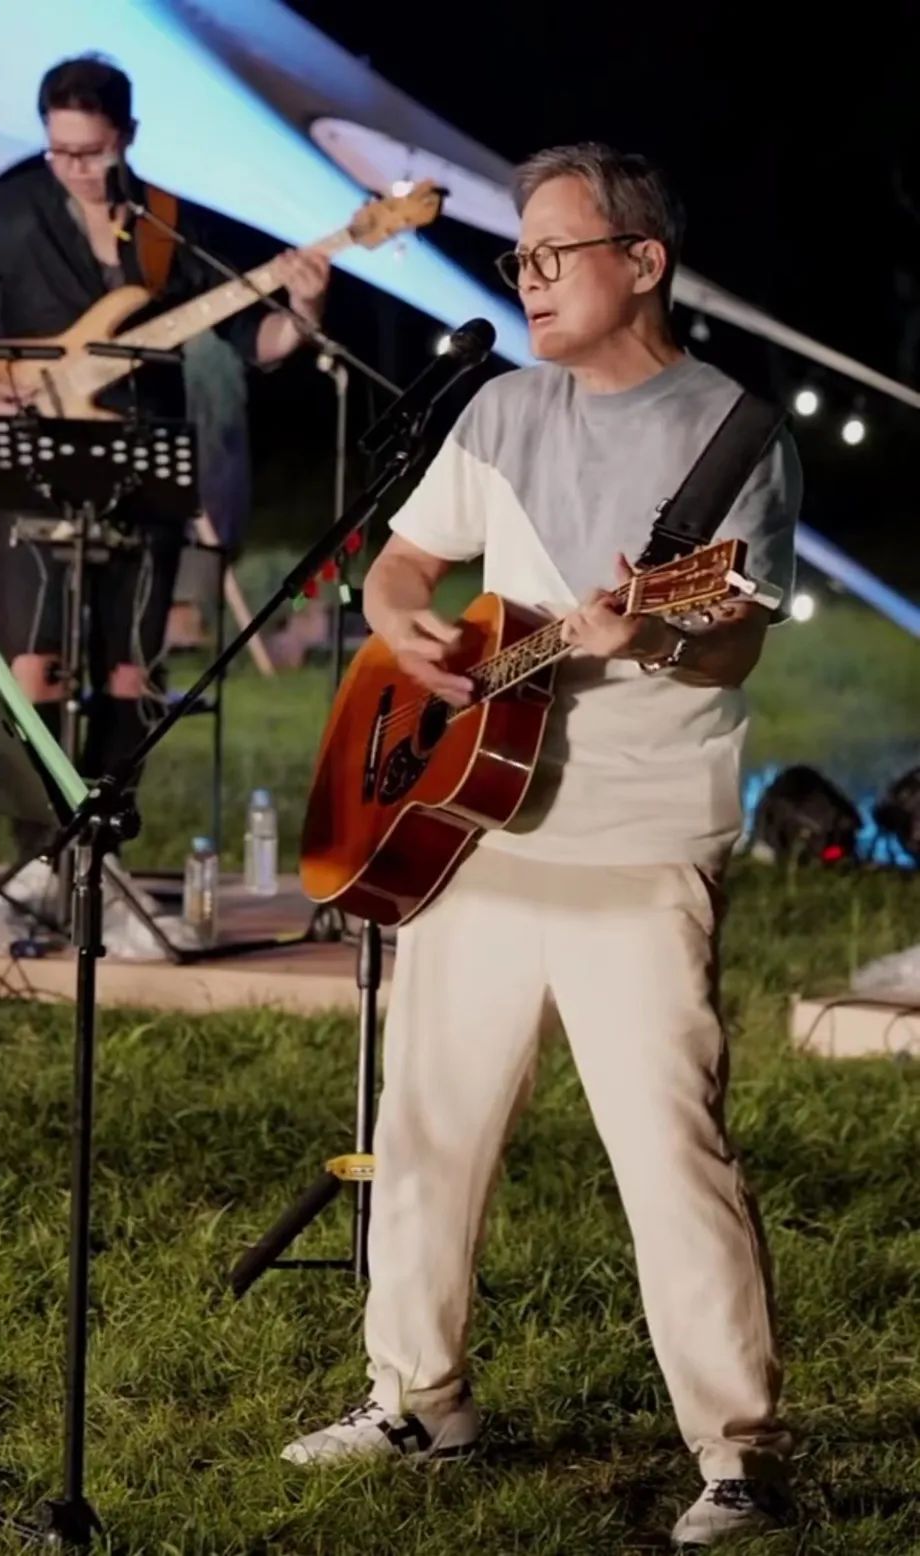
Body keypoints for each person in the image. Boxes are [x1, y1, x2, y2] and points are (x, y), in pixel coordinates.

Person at [281, 143, 801, 1550]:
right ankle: (417, 1398)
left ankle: (738, 1456)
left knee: (669, 1153)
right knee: (427, 1127)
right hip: (475, 828)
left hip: (638, 844)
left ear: (644, 262)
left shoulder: (736, 434)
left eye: (554, 253)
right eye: (520, 256)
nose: (528, 277)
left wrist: (657, 632)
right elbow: (405, 560)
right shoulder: (504, 406)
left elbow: (734, 636)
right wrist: (398, 619)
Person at [0, 53, 328, 841]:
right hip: (33, 456)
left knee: (131, 672)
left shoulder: (167, 221)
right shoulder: (15, 207)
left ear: (127, 136)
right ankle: (38, 860)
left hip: (142, 468)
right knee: (34, 666)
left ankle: (101, 853)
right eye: (60, 150)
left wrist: (305, 308)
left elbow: (258, 341)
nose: (75, 168)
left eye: (93, 151)